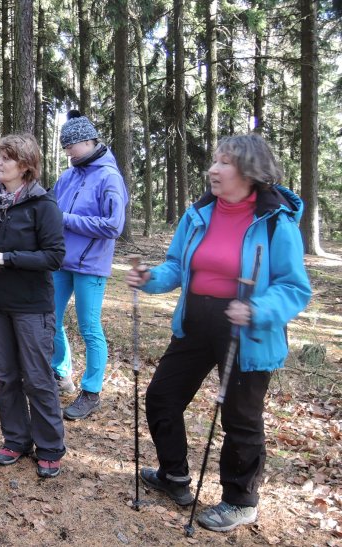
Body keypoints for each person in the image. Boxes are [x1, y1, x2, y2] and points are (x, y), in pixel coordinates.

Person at [125, 134, 311, 532]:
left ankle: (240, 500)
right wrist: (150, 277)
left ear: (248, 171)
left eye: (223, 162)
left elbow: (295, 288)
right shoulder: (199, 213)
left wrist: (258, 309)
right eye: (213, 161)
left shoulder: (276, 221)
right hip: (195, 321)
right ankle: (173, 474)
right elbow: (176, 265)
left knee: (240, 418)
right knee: (162, 396)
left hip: (247, 328)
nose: (213, 169)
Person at [0, 133, 66, 478]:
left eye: (6, 158)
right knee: (6, 376)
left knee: (37, 379)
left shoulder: (44, 205)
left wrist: (7, 258)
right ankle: (16, 439)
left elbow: (54, 256)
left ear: (25, 165)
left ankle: (51, 447)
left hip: (31, 307)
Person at [51, 110, 128, 418]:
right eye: (65, 147)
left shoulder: (109, 177)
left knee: (89, 327)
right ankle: (61, 373)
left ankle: (92, 391)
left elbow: (114, 225)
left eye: (71, 146)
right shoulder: (68, 176)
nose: (68, 152)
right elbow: (51, 209)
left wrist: (66, 220)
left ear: (87, 141)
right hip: (60, 262)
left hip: (91, 266)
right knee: (49, 318)